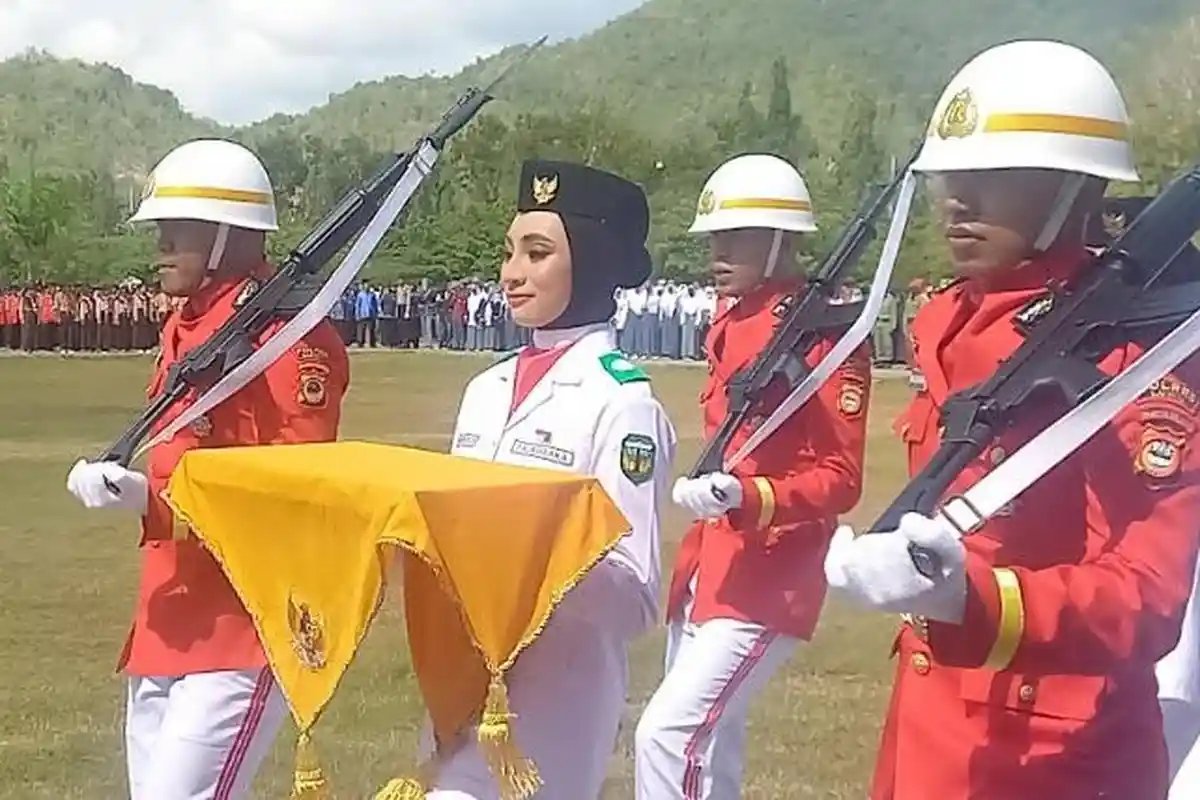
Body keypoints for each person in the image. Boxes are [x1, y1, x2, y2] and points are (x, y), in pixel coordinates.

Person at [822, 40, 1200, 799]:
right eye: (951, 177)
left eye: (995, 177)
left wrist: (974, 601)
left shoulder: (1137, 355)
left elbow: (1145, 597)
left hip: (1054, 751)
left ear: (1076, 186)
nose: (958, 201)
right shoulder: (945, 320)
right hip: (931, 717)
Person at [63, 138, 350, 800]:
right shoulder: (189, 328)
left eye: (179, 229)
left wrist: (152, 502)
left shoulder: (289, 339)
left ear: (228, 235)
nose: (161, 245)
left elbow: (293, 493)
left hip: (241, 622)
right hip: (169, 612)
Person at [420, 160, 677, 800]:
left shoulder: (623, 403)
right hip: (460, 684)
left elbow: (635, 595)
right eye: (509, 252)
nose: (511, 273)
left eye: (537, 254)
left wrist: (526, 557)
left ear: (590, 262)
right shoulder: (485, 390)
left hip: (552, 705)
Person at [634, 153, 871, 799]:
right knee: (710, 751)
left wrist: (750, 496)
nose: (718, 251)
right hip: (712, 561)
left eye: (736, 236)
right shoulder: (731, 316)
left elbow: (841, 477)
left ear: (779, 240)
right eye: (715, 237)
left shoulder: (823, 333)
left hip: (772, 569)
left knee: (667, 736)